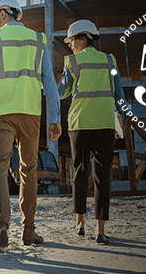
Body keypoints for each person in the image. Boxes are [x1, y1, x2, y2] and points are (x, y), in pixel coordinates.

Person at [0, 0, 62, 251]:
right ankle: (29, 231)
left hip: (0, 111)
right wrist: (55, 118)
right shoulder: (39, 39)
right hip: (31, 112)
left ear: (1, 15)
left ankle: (0, 229)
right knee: (28, 170)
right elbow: (49, 82)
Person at [58, 19, 127, 244]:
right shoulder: (110, 60)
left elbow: (62, 93)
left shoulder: (71, 61)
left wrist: (53, 78)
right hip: (106, 123)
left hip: (79, 124)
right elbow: (119, 95)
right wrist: (120, 122)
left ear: (82, 38)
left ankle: (79, 223)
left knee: (79, 172)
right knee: (102, 176)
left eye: (71, 40)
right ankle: (101, 230)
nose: (70, 45)